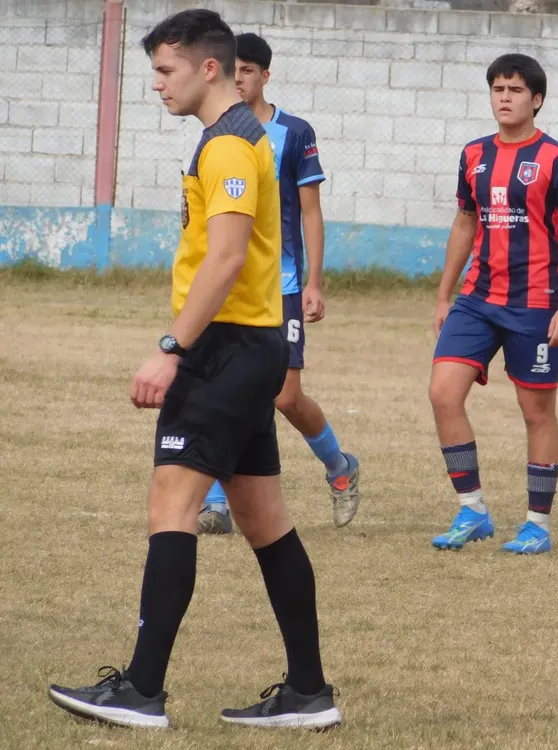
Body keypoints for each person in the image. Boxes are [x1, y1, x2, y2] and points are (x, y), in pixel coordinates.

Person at [46, 10, 342, 730]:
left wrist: (172, 348)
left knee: (171, 509)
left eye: (165, 69)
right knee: (264, 522)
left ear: (210, 67)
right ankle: (308, 693)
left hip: (226, 350)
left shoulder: (231, 147)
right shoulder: (228, 138)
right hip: (248, 348)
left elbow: (228, 257)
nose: (157, 83)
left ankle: (141, 691)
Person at [429, 53, 558, 554]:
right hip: (477, 299)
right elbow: (465, 223)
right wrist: (444, 294)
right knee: (443, 393)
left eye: (516, 90)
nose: (505, 98)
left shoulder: (557, 158)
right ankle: (472, 510)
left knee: (536, 410)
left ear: (536, 100)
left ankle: (537, 525)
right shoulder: (474, 154)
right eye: (498, 89)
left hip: (537, 303)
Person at [196, 31, 360, 535]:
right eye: (233, 70)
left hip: (282, 285)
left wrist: (314, 282)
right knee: (224, 386)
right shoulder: (217, 133)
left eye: (247, 71)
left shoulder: (294, 132)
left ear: (265, 75)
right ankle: (216, 503)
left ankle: (339, 466)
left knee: (285, 397)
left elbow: (310, 211)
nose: (239, 79)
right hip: (230, 285)